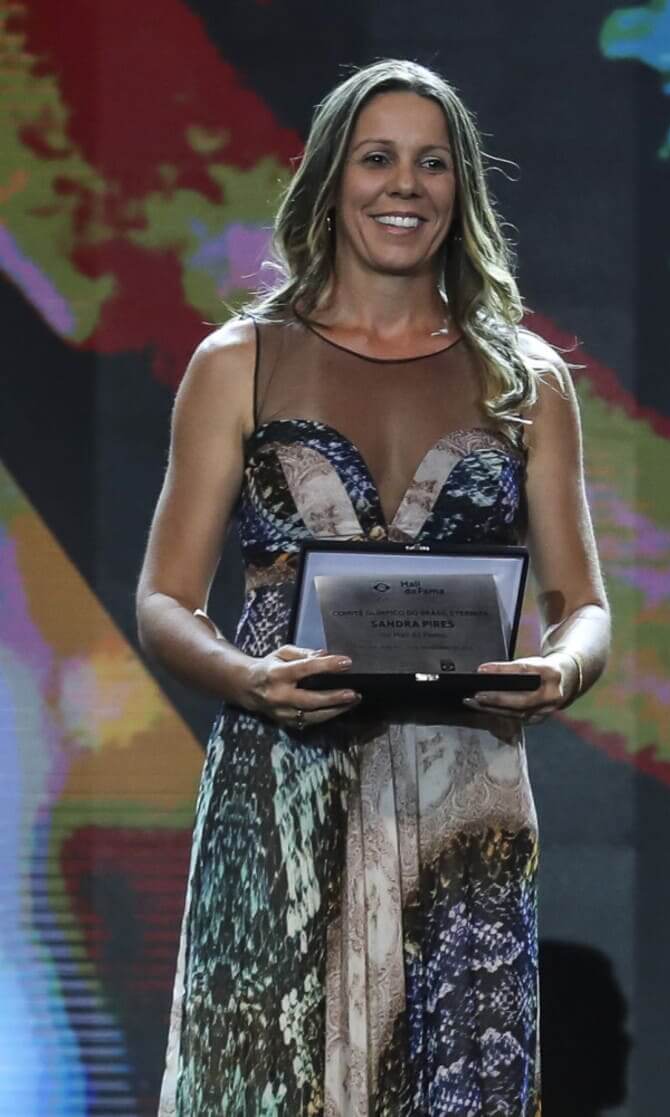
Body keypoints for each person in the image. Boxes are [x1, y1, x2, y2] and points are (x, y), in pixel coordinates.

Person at [138, 59, 609, 1116]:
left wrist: (559, 671)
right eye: (379, 158)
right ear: (329, 179)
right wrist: (248, 677)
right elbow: (164, 597)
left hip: (465, 792)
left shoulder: (525, 377)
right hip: (284, 779)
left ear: (462, 189)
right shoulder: (239, 361)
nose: (407, 185)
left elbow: (584, 604)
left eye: (433, 162)